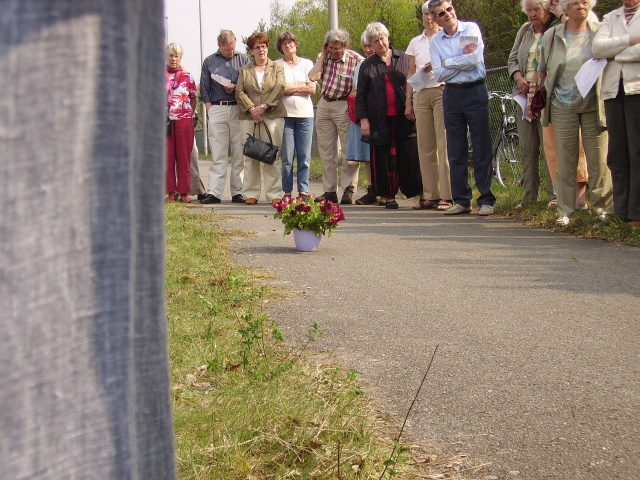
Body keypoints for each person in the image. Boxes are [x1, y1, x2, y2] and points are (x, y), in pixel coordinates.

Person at [536, 0, 613, 225]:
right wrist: (536, 95)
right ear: (565, 9)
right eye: (576, 2)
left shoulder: (600, 31)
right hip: (561, 105)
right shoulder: (552, 36)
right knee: (566, 160)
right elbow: (542, 70)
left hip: (594, 104)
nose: (581, 6)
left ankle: (602, 210)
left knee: (598, 160)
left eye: (585, 2)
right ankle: (565, 210)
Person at [429, 0, 496, 215]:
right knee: (455, 149)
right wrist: (460, 59)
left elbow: (475, 59)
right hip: (452, 94)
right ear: (436, 19)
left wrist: (448, 61)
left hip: (475, 90)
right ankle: (462, 200)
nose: (447, 15)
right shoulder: (436, 41)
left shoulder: (470, 29)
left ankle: (486, 199)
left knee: (480, 146)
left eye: (449, 9)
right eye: (441, 13)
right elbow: (438, 74)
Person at [356, 22, 423, 209]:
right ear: (370, 44)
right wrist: (364, 120)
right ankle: (388, 195)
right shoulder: (367, 66)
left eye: (382, 38)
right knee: (384, 159)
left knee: (409, 156)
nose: (380, 43)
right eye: (375, 41)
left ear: (388, 37)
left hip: (404, 116)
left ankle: (419, 193)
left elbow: (415, 82)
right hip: (379, 120)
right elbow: (360, 96)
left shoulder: (403, 57)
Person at [593, 0, 640, 226]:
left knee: (637, 151)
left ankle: (636, 214)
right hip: (613, 92)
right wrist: (631, 42)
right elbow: (598, 49)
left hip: (637, 90)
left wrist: (615, 54)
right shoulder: (610, 17)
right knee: (617, 154)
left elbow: (609, 51)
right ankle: (621, 212)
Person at [508, 0, 556, 208]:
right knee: (527, 147)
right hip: (523, 95)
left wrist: (539, 84)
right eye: (529, 10)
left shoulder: (555, 30)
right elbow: (512, 59)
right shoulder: (524, 30)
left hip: (546, 94)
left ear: (546, 9)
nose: (532, 14)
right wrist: (519, 78)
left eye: (537, 9)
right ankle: (529, 196)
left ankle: (554, 196)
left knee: (549, 147)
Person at [406, 1, 453, 211]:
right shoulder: (415, 42)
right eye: (425, 14)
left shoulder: (446, 36)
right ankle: (430, 195)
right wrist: (409, 101)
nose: (428, 18)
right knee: (425, 146)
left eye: (431, 14)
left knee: (444, 143)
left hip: (442, 90)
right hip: (420, 93)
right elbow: (410, 73)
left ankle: (447, 195)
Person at [309, 29, 363, 204]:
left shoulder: (356, 60)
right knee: (326, 150)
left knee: (349, 149)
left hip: (344, 105)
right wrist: (323, 56)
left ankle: (348, 188)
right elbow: (312, 76)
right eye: (331, 47)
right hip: (325, 104)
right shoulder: (323, 56)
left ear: (345, 46)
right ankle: (329, 191)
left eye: (337, 48)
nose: (334, 51)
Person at [235, 32, 286, 204]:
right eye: (257, 47)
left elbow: (280, 87)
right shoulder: (244, 70)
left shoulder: (277, 67)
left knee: (271, 155)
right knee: (250, 156)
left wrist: (264, 107)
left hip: (272, 116)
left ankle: (275, 195)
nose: (261, 50)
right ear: (251, 51)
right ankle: (251, 193)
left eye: (263, 46)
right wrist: (252, 109)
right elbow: (239, 91)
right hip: (249, 118)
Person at [200, 30, 249, 204]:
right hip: (217, 107)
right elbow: (204, 86)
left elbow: (249, 83)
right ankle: (215, 192)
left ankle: (238, 192)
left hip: (238, 108)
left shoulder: (243, 59)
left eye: (233, 48)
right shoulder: (209, 61)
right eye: (227, 49)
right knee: (218, 152)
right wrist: (208, 107)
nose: (231, 52)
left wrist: (235, 88)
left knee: (238, 151)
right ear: (219, 46)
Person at [275, 31, 316, 200]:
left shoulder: (307, 63)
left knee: (304, 156)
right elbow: (278, 89)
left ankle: (303, 191)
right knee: (287, 158)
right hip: (285, 116)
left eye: (290, 42)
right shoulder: (277, 65)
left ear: (296, 43)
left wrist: (290, 88)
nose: (288, 45)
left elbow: (312, 89)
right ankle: (286, 192)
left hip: (305, 116)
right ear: (280, 47)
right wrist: (301, 87)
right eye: (284, 43)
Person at [165, 43, 197, 203]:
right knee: (168, 157)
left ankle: (184, 192)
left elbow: (193, 97)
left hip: (184, 121)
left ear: (180, 57)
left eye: (176, 56)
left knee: (184, 157)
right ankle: (170, 192)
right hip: (165, 123)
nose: (173, 59)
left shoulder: (187, 76)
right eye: (170, 55)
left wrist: (190, 113)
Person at [350, 33, 379, 205]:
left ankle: (386, 189)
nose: (368, 49)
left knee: (384, 153)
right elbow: (356, 92)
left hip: (383, 113)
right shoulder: (361, 66)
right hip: (367, 114)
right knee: (369, 155)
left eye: (371, 45)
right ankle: (372, 189)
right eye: (365, 46)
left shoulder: (387, 61)